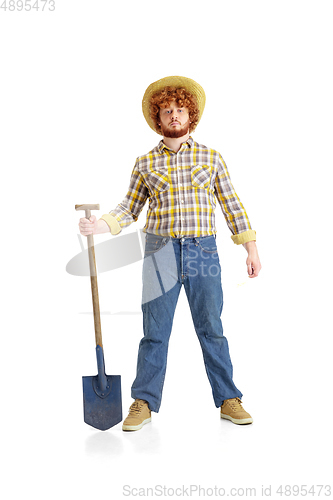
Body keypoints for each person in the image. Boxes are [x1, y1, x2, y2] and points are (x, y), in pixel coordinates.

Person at [78, 76, 261, 431]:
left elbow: (232, 205)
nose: (173, 116)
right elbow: (129, 208)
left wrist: (250, 248)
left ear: (189, 115)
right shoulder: (145, 163)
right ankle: (143, 401)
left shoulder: (211, 157)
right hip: (159, 251)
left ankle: (228, 399)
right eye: (166, 111)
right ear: (157, 119)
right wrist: (99, 225)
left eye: (179, 110)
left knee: (212, 328)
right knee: (154, 331)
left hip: (202, 250)